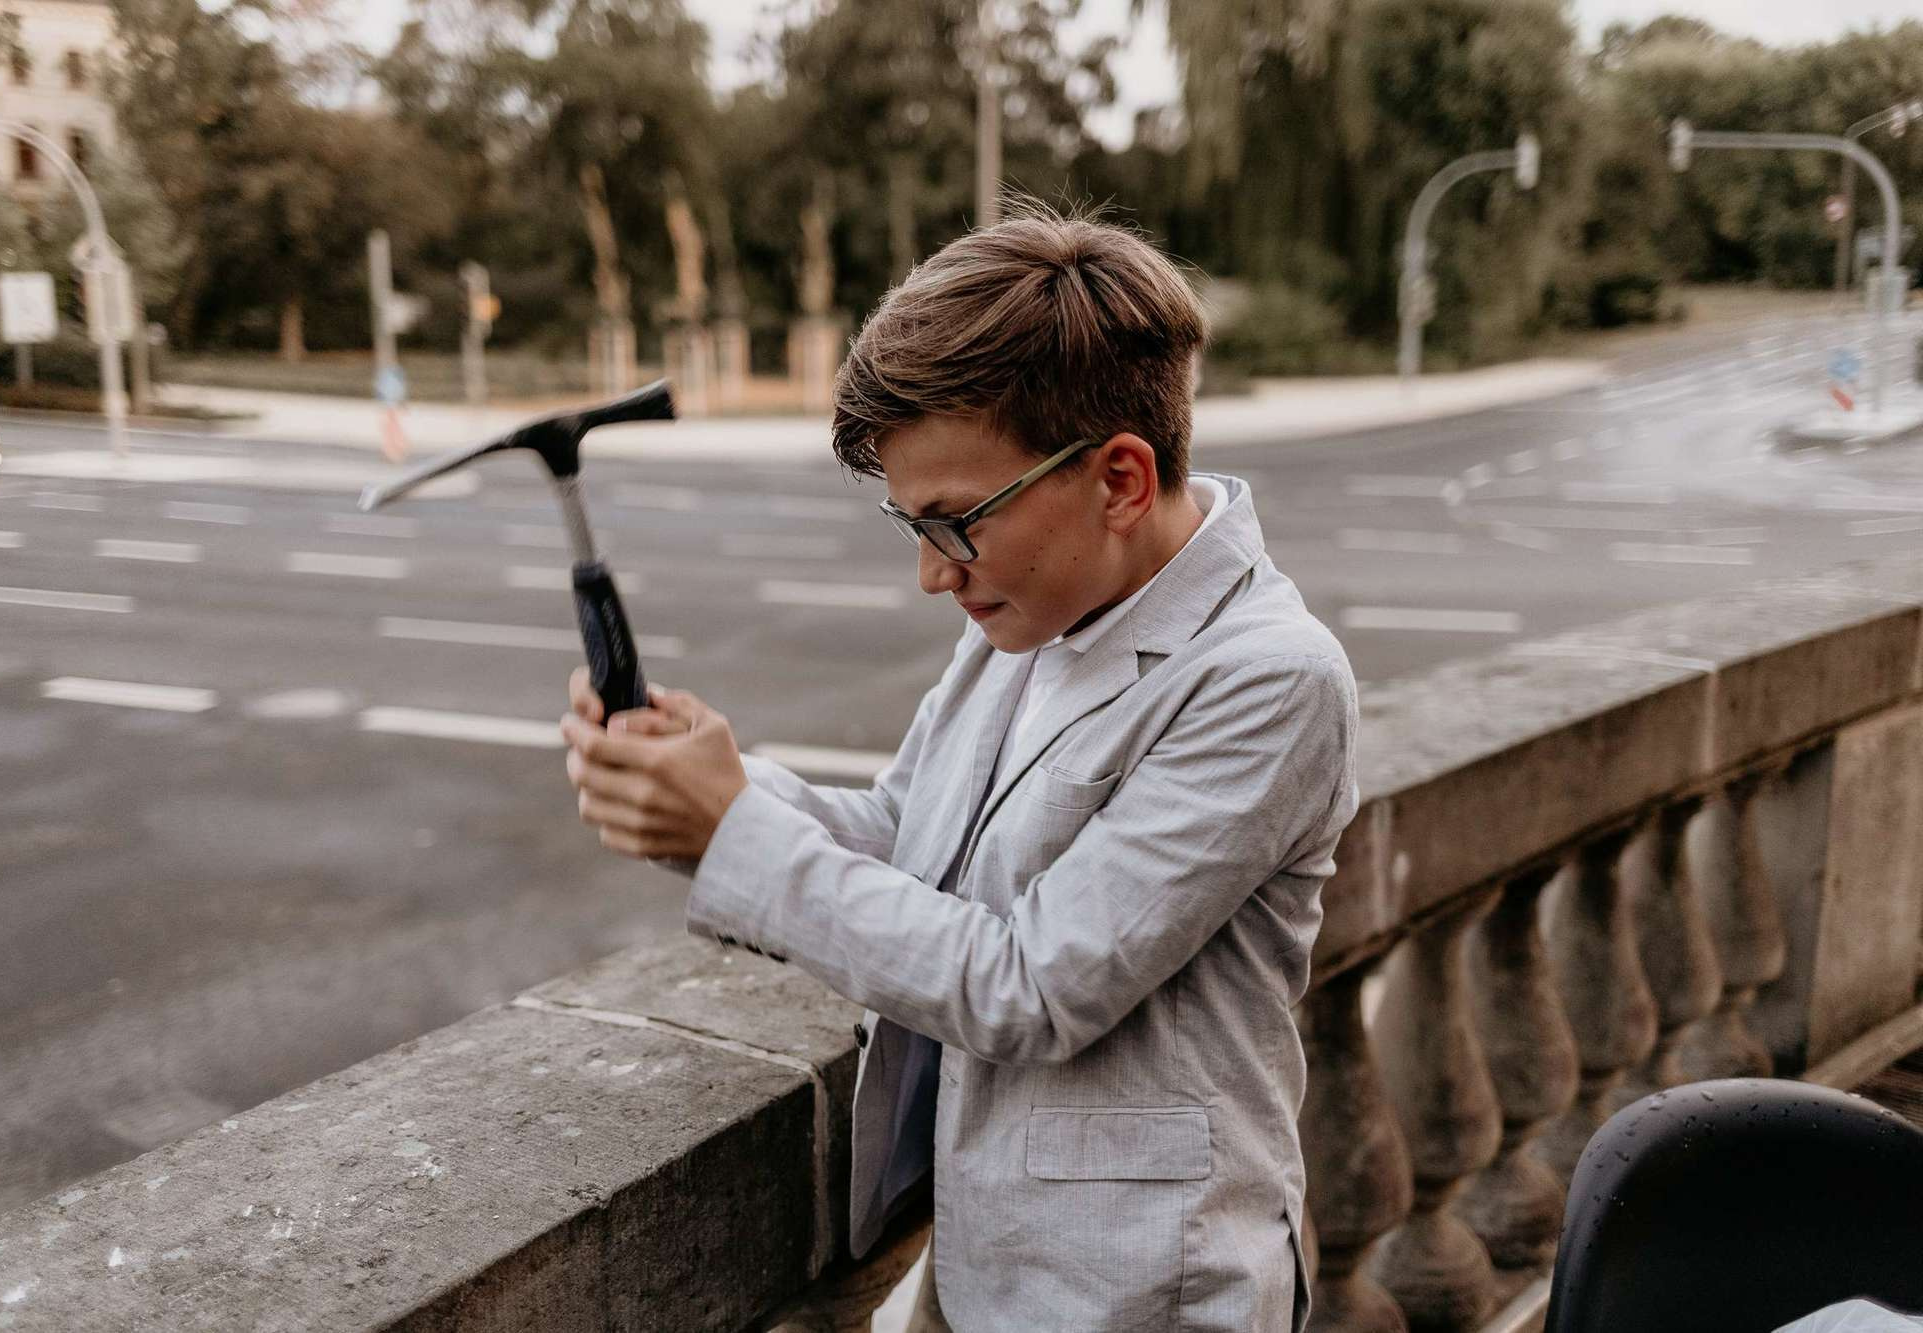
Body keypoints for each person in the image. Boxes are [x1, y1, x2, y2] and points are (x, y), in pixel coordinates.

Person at [560, 201, 1359, 1333]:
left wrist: (733, 832)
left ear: (1119, 480)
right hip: (981, 1261)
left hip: (1144, 1292)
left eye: (953, 522)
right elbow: (911, 835)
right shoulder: (1038, 602)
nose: (935, 577)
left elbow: (1034, 984)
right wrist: (718, 783)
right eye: (912, 527)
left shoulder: (1272, 679)